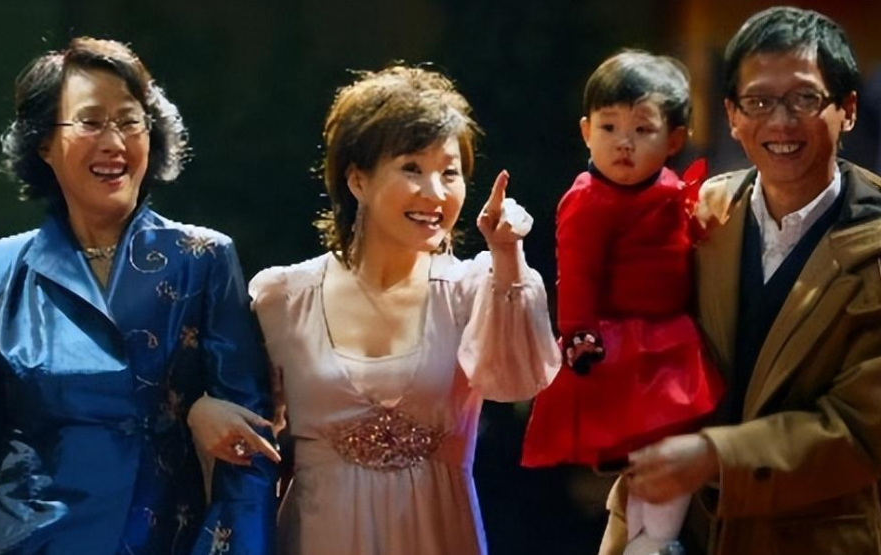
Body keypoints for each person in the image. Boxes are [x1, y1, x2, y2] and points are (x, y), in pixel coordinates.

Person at [189, 65, 561, 555]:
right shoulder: (284, 298)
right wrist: (200, 407)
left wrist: (507, 255)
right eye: (412, 168)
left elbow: (517, 381)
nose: (435, 192)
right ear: (358, 180)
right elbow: (238, 412)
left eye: (450, 173)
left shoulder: (475, 289)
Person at [0, 37, 277, 554]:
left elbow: (251, 451)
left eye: (130, 121)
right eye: (90, 122)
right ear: (44, 144)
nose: (115, 142)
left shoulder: (202, 258)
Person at [600, 7, 881, 555]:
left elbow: (859, 430)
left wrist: (715, 456)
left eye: (804, 98)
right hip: (672, 529)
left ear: (847, 109)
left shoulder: (872, 241)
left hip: (814, 538)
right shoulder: (696, 212)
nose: (780, 122)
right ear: (730, 114)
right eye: (758, 102)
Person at [521, 50, 723, 555]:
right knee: (654, 456)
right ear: (586, 132)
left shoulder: (673, 187)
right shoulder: (588, 198)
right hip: (621, 346)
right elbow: (576, 275)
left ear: (674, 139)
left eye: (642, 129)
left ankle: (650, 540)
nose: (623, 143)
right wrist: (579, 335)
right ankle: (653, 542)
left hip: (672, 336)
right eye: (609, 127)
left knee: (664, 454)